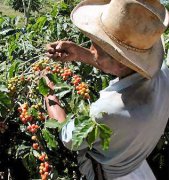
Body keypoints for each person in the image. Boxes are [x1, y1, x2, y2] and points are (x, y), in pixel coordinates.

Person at [45, 0, 169, 179]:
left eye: (97, 43)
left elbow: (69, 138)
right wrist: (80, 54)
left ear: (120, 60)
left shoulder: (108, 110)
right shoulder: (162, 73)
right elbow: (120, 66)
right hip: (137, 162)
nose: (90, 46)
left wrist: (49, 96)